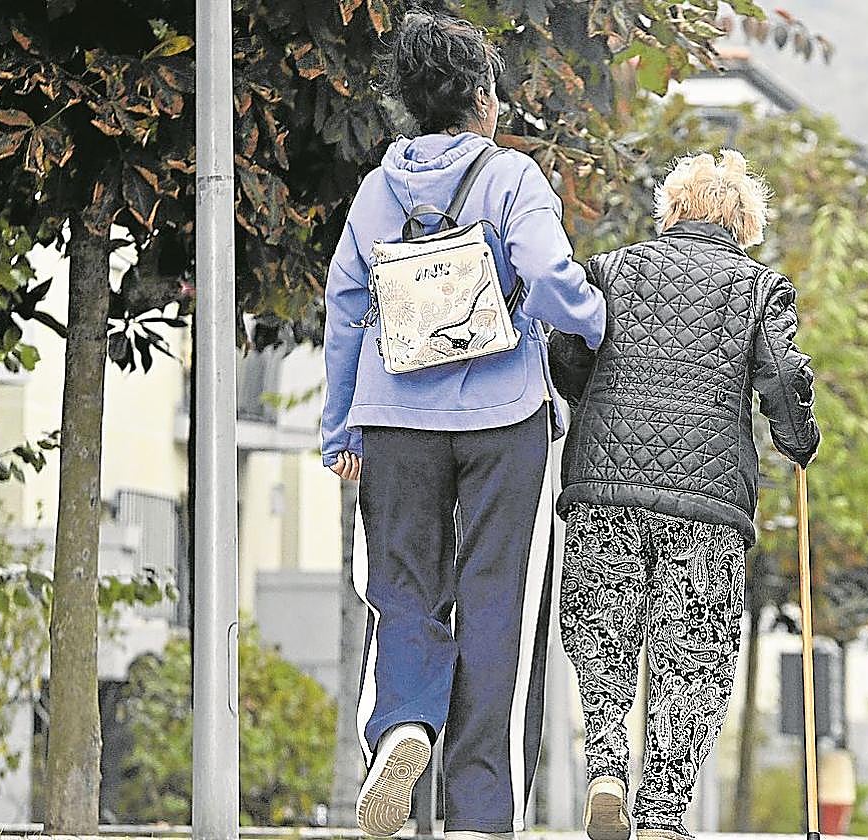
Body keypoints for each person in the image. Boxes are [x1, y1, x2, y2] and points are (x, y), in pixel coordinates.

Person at [320, 11, 606, 840]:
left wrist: (340, 430)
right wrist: (592, 324)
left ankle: (403, 722)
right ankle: (481, 814)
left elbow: (345, 310)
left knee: (400, 587)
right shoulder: (511, 179)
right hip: (505, 420)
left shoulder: (376, 191)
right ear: (482, 100)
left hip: (393, 419)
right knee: (497, 606)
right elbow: (551, 280)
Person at [549, 150, 821, 840]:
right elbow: (783, 379)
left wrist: (597, 407)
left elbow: (565, 353)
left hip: (601, 489)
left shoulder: (608, 271)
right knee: (693, 653)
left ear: (670, 210)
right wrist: (797, 441)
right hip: (705, 504)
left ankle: (607, 765)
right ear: (743, 224)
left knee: (602, 633)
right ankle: (663, 815)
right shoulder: (760, 288)